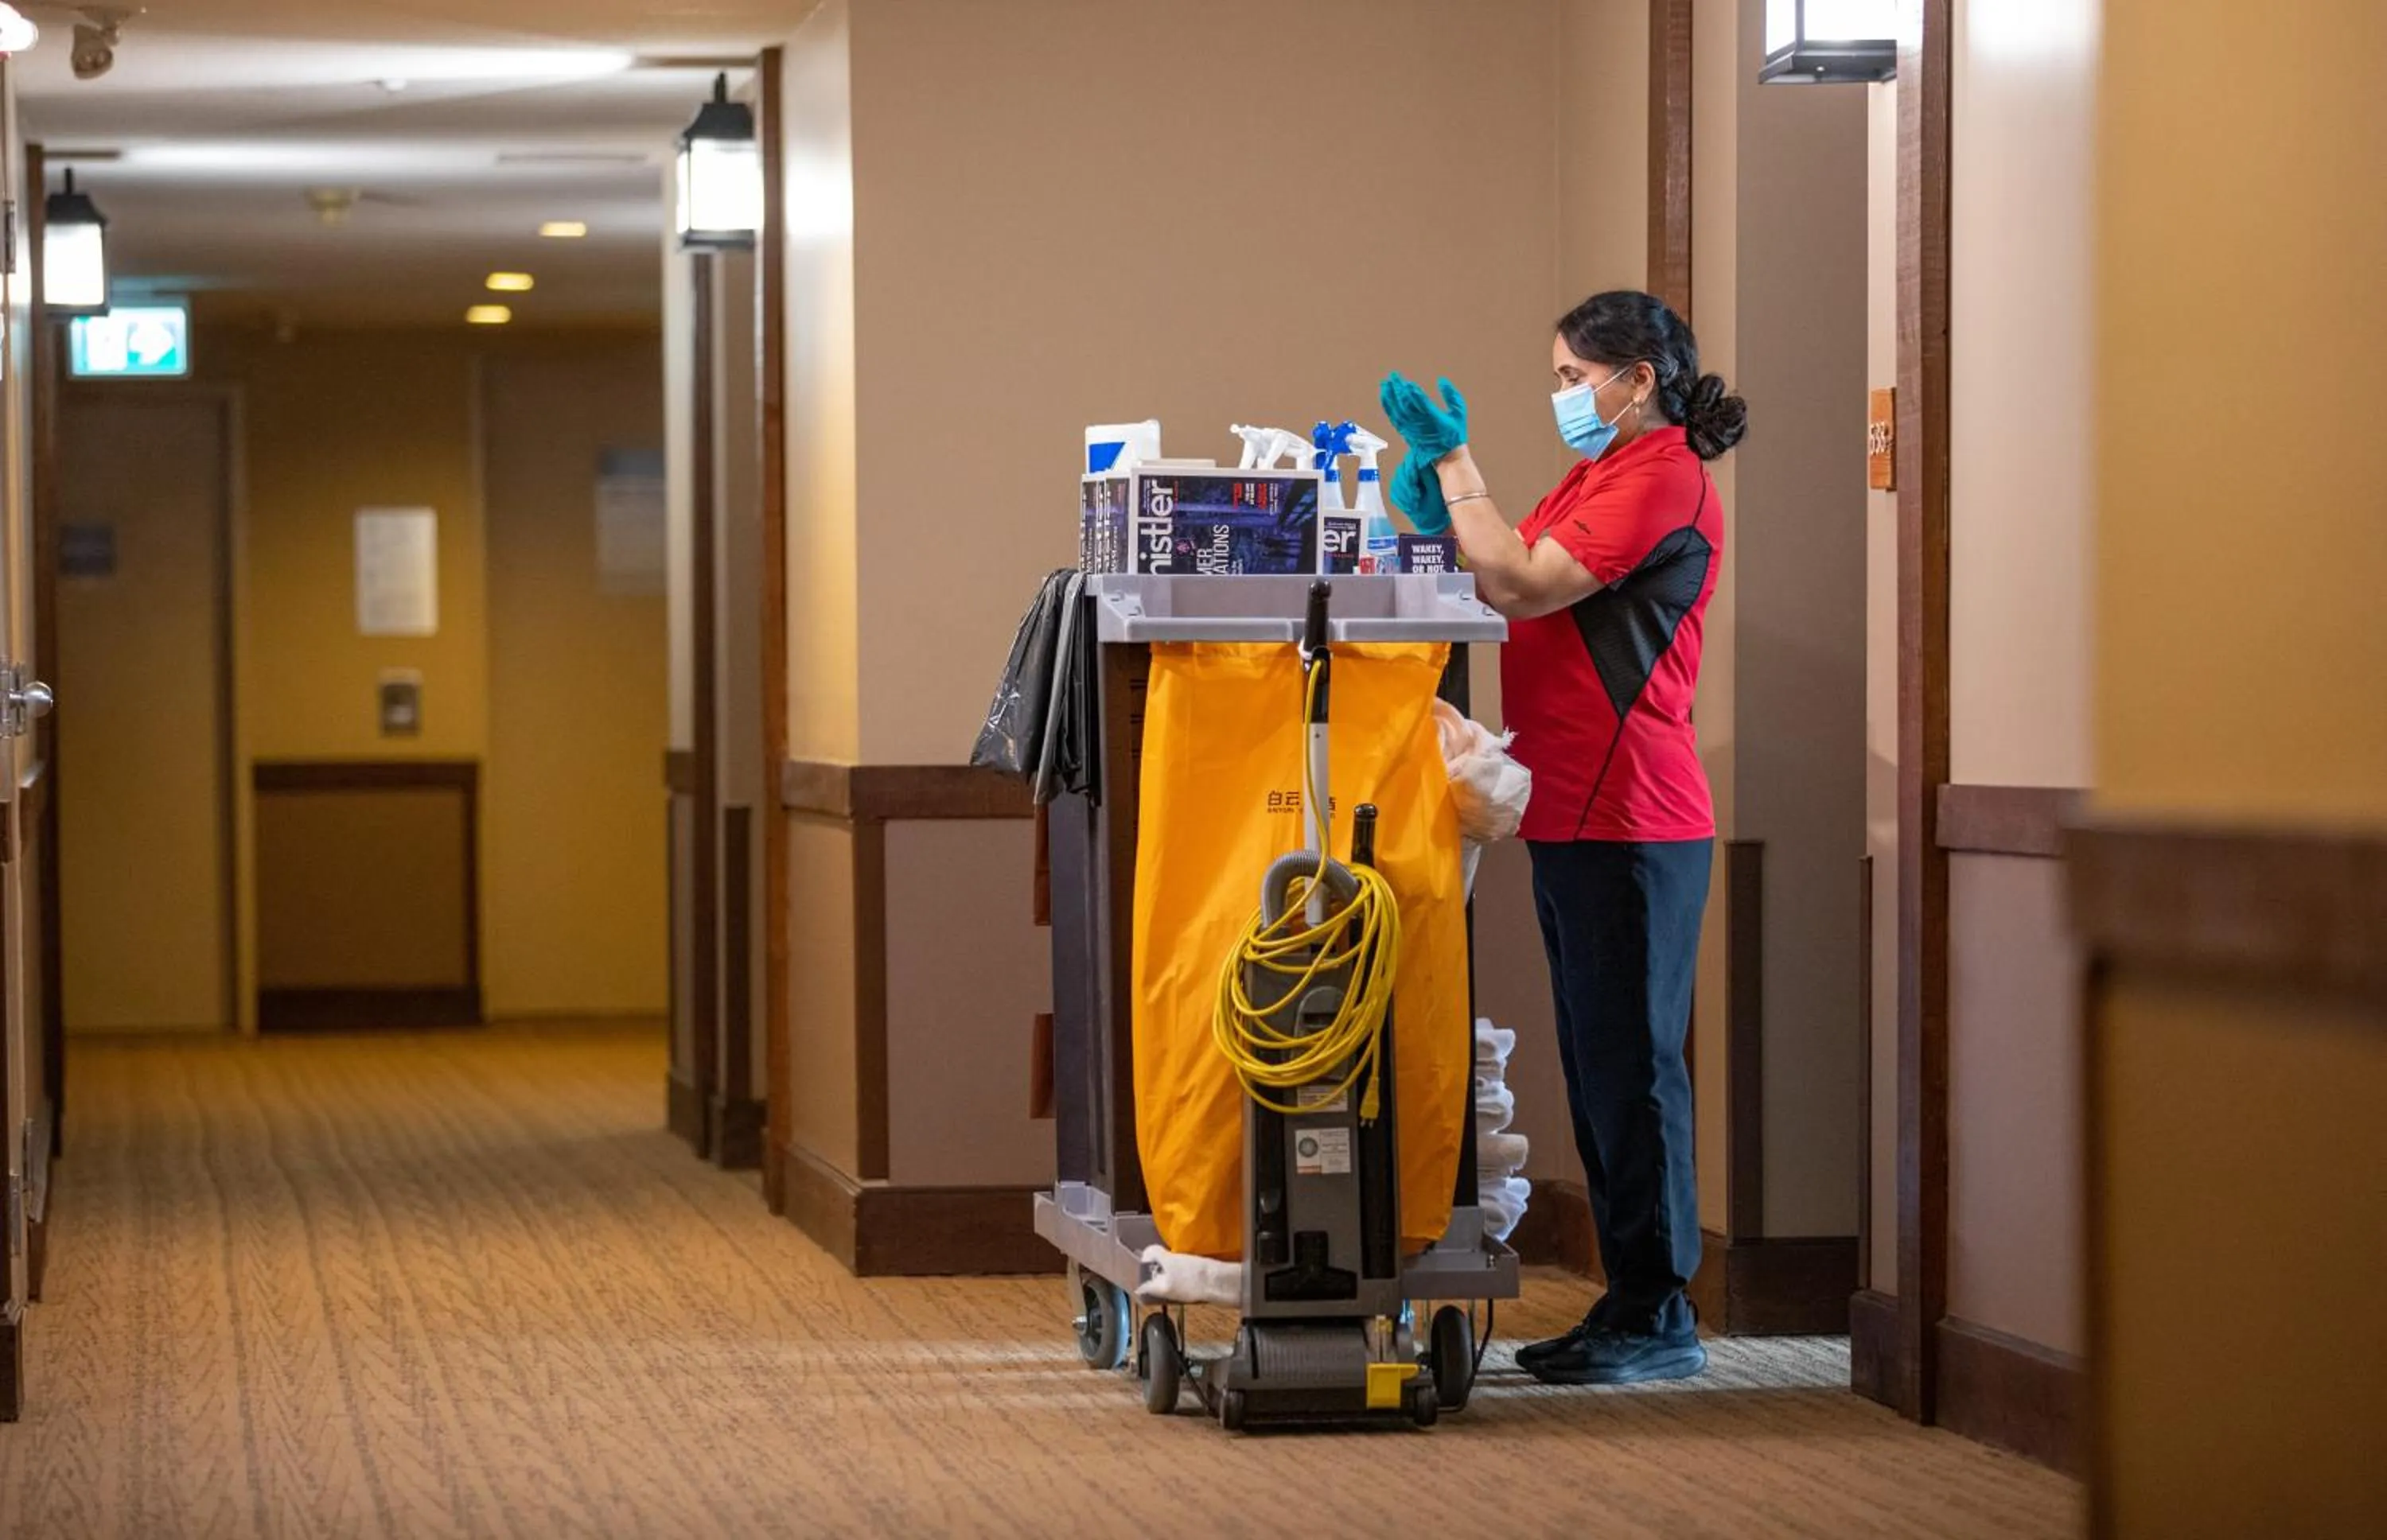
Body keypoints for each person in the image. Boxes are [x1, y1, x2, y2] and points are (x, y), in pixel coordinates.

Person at [1379, 290, 1745, 1386]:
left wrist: (1456, 468)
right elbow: (1493, 562)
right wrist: (1435, 508)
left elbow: (1525, 581)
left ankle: (1658, 1312)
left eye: (1574, 378)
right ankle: (1631, 1300)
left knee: (1634, 1068)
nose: (1562, 398)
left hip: (1635, 813)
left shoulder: (1664, 475)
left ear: (1639, 379)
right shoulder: (1601, 473)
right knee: (1599, 1065)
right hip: (1573, 806)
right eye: (1553, 378)